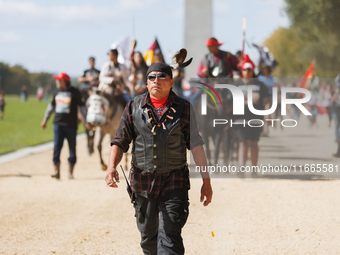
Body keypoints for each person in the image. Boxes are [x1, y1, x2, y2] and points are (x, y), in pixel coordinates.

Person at [105, 62, 213, 255]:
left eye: (162, 76)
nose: (157, 80)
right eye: (152, 77)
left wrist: (206, 181)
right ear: (146, 83)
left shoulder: (184, 107)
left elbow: (196, 144)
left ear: (171, 82)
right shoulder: (133, 107)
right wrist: (111, 167)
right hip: (142, 184)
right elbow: (120, 140)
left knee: (170, 238)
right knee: (148, 238)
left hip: (175, 182)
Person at [41, 73, 89, 179]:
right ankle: (56, 171)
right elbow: (51, 107)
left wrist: (86, 120)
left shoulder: (75, 92)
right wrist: (45, 120)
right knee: (57, 147)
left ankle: (70, 172)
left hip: (71, 125)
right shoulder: (57, 92)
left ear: (64, 81)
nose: (56, 82)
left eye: (58, 80)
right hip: (58, 124)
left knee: (72, 148)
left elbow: (82, 108)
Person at [232, 55, 270, 177]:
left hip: (256, 117)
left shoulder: (260, 85)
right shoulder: (236, 85)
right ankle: (241, 169)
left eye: (249, 69)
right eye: (244, 69)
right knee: (242, 142)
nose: (247, 72)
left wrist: (268, 112)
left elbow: (267, 100)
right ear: (241, 71)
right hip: (240, 118)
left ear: (252, 70)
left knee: (253, 143)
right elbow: (229, 102)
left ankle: (254, 169)